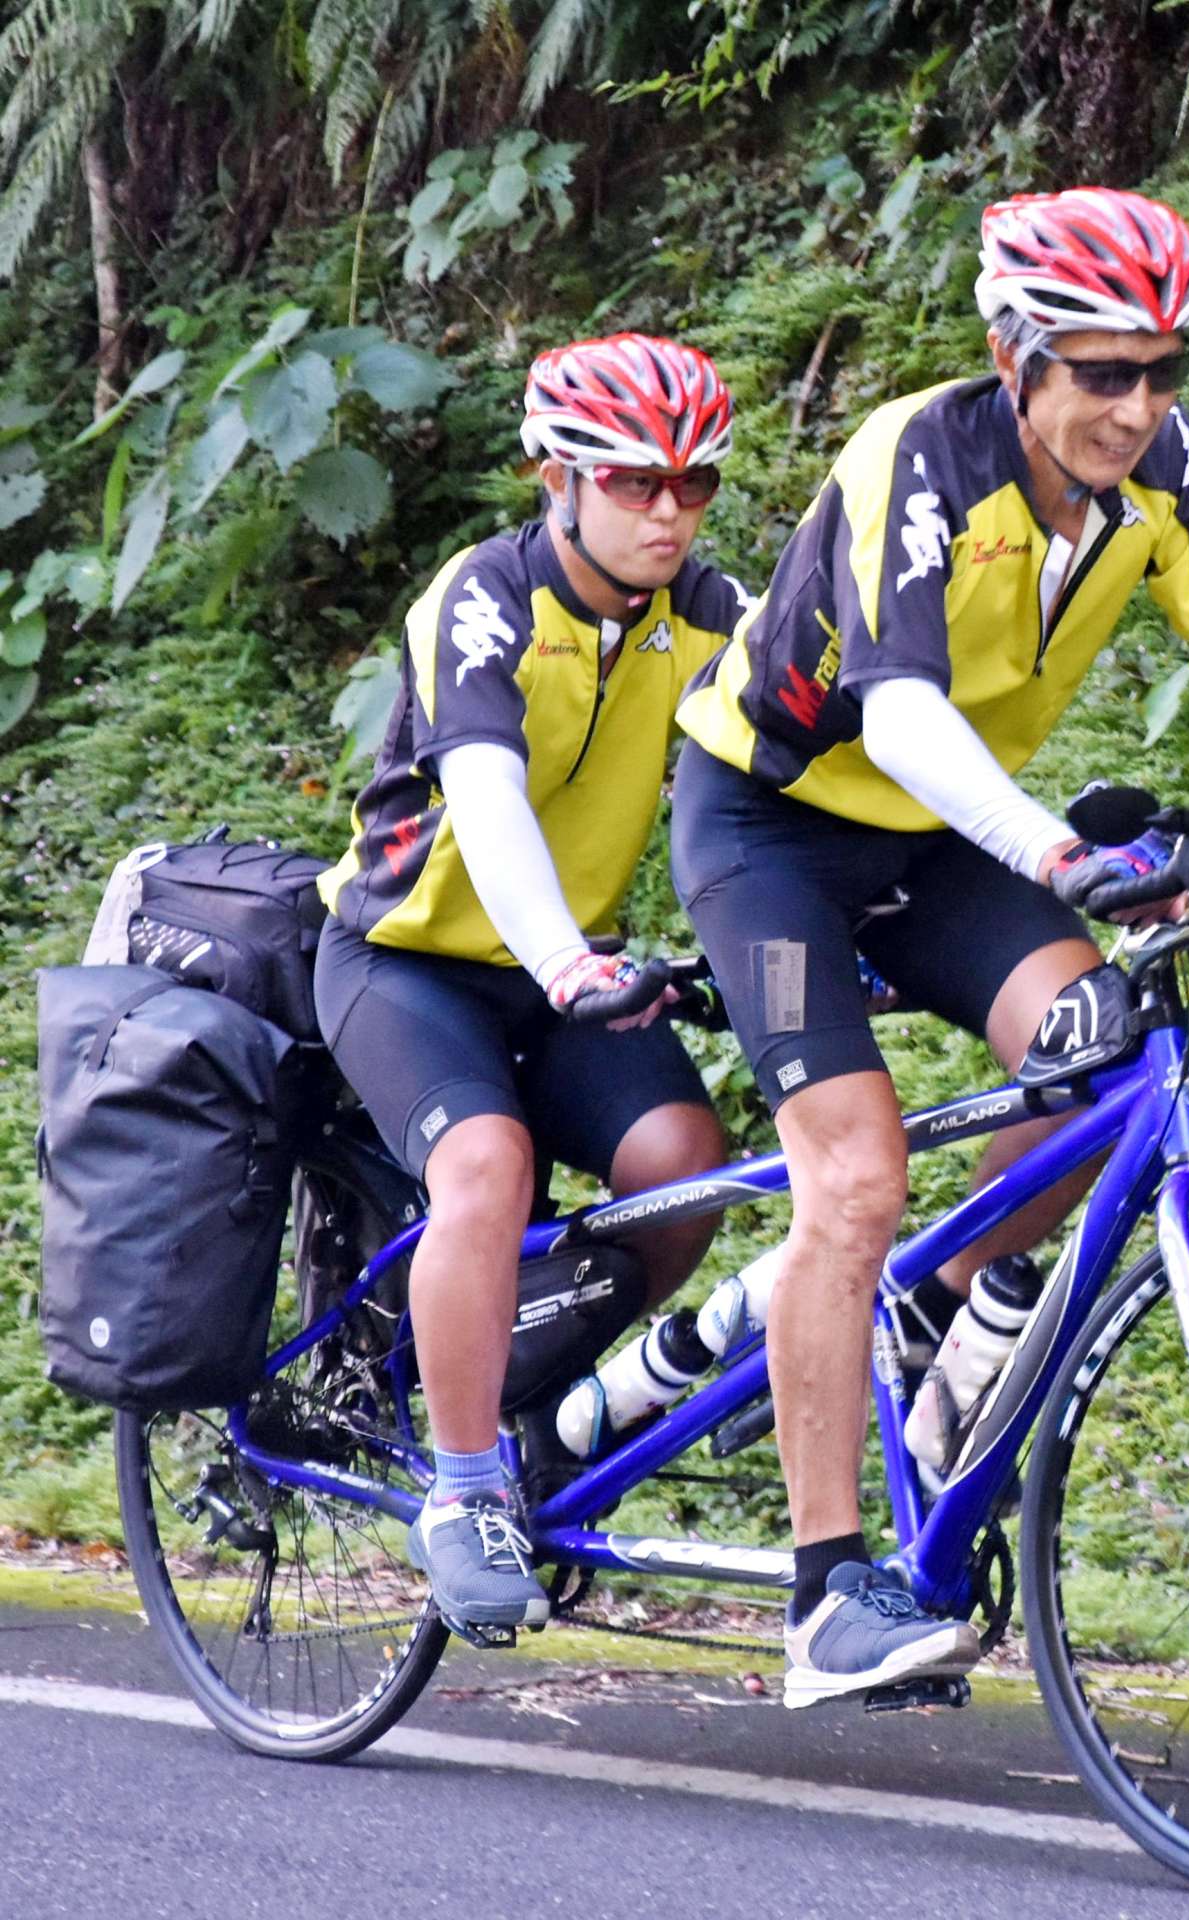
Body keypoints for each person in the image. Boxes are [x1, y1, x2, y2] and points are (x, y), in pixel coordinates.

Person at [669, 188, 1189, 1706]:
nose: (1139, 405)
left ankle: (936, 1307)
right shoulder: (920, 455)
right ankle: (827, 1597)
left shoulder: (1166, 468)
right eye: (1104, 372)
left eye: (1163, 370)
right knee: (852, 1172)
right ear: (1014, 354)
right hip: (767, 839)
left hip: (925, 845)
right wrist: (1054, 849)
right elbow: (898, 712)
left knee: (1096, 1052)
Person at [315, 333, 748, 1633]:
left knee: (687, 1167)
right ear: (553, 475)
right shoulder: (483, 597)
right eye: (633, 480)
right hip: (408, 961)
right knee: (488, 1167)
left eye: (695, 483)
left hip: (570, 974)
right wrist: (566, 959)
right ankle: (459, 1490)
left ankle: (535, 1414)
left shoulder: (711, 617)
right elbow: (489, 801)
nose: (667, 509)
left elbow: (792, 788)